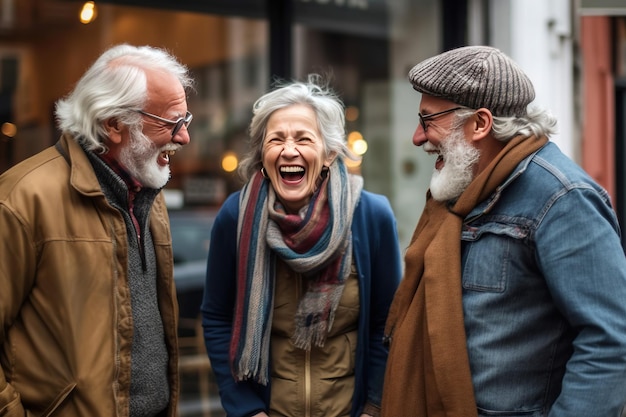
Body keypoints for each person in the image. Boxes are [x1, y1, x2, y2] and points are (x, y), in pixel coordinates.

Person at [381, 45, 626, 417]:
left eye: (428, 119)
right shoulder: (461, 192)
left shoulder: (562, 198)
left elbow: (611, 342)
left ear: (480, 123)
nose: (418, 136)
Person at [0, 44, 194, 416]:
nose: (184, 137)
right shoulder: (21, 200)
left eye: (186, 120)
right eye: (172, 123)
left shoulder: (149, 192)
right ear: (113, 124)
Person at [201, 74, 402, 417]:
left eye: (303, 139)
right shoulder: (235, 216)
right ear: (263, 154)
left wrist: (373, 408)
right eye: (275, 139)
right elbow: (217, 318)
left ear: (328, 154)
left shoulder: (371, 216)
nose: (288, 150)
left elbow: (389, 324)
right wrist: (247, 410)